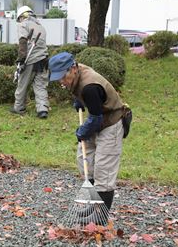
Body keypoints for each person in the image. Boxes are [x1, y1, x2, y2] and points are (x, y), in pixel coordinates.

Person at [49, 51, 125, 225]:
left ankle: (100, 217)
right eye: (58, 78)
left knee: (103, 170)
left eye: (63, 77)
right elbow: (89, 103)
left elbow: (96, 119)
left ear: (73, 68)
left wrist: (82, 131)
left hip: (110, 123)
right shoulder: (77, 75)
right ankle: (92, 205)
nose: (61, 82)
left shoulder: (90, 86)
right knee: (85, 162)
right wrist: (81, 101)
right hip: (97, 119)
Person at [10, 5, 49, 118]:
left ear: (22, 16)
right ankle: (42, 110)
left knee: (22, 83)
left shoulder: (23, 24)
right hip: (43, 59)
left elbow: (23, 42)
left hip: (30, 59)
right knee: (40, 85)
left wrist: (21, 60)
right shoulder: (41, 26)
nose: (19, 21)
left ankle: (18, 107)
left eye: (19, 19)